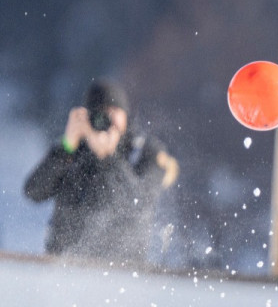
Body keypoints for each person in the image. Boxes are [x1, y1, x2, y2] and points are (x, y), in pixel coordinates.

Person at [24, 78, 179, 265]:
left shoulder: (145, 152)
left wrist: (109, 158)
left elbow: (140, 202)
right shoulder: (73, 150)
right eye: (100, 113)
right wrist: (66, 147)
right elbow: (33, 191)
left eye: (113, 112)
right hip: (65, 266)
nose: (107, 120)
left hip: (123, 270)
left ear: (126, 115)